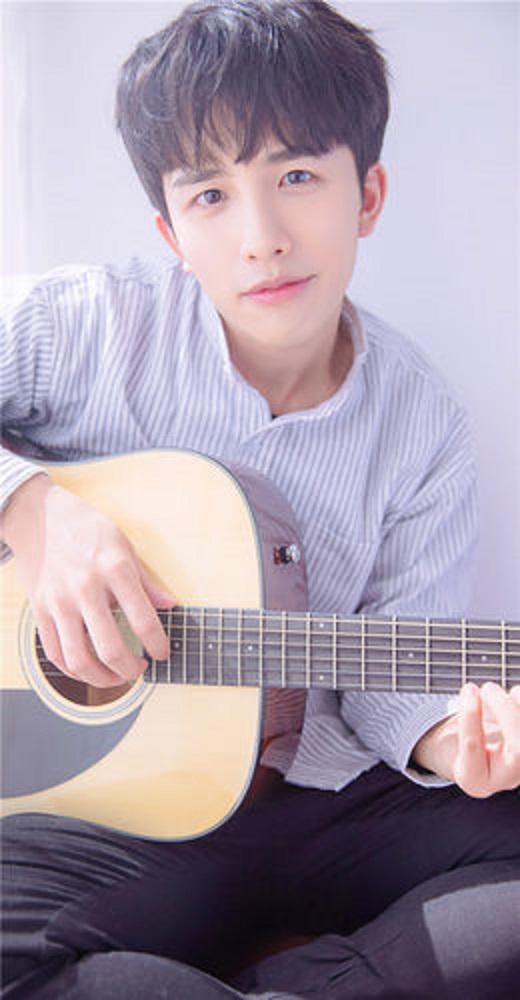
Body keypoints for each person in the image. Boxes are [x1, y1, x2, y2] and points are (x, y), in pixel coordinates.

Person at [1, 1, 519, 996]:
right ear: (171, 231)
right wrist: (35, 511)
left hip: (327, 804)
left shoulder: (422, 421)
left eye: (297, 177)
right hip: (112, 817)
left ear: (366, 194)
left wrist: (457, 739)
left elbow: (392, 673)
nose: (262, 238)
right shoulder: (89, 326)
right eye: (211, 195)